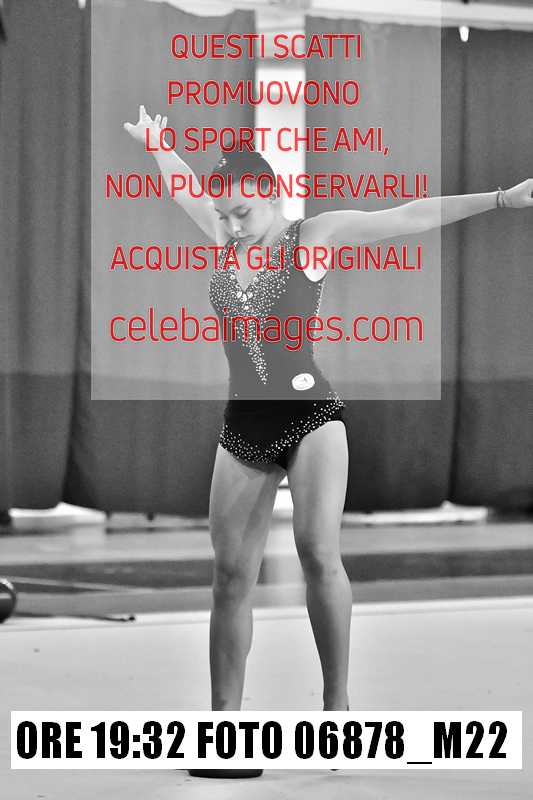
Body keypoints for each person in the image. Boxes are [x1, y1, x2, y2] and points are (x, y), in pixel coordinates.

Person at [124, 106, 532, 778]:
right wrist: (159, 145)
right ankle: (224, 728)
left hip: (312, 416)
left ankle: (336, 710)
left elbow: (409, 215)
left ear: (271, 196)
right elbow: (183, 189)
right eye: (223, 214)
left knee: (317, 553)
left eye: (242, 212)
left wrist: (498, 199)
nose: (230, 224)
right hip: (244, 423)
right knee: (229, 577)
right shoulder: (224, 236)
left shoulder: (312, 236)